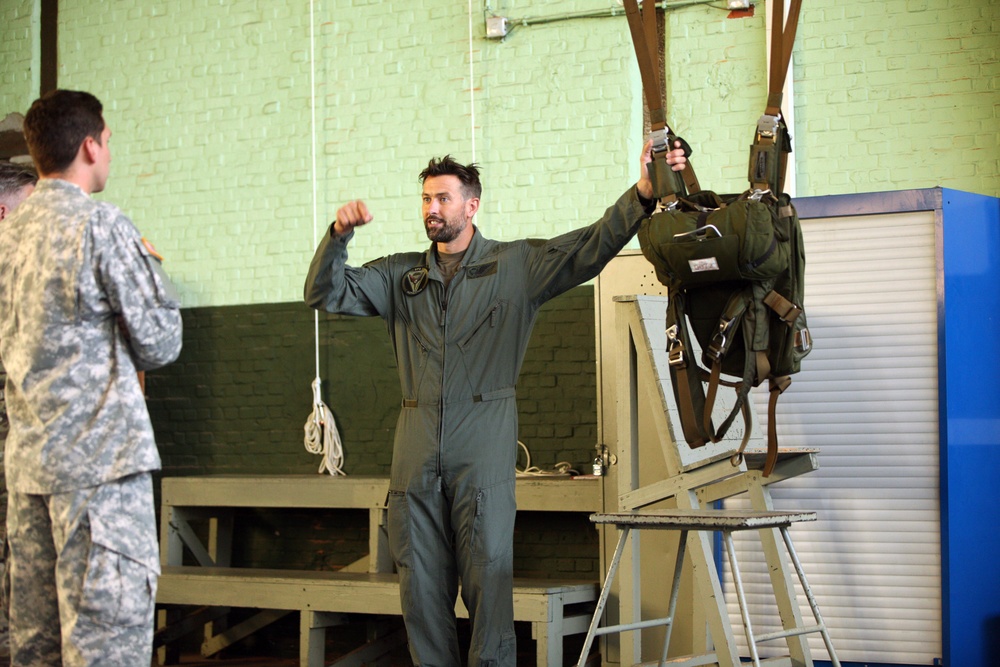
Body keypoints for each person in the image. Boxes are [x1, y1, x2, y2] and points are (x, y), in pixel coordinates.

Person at [305, 139, 686, 666]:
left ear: (472, 206)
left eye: (442, 198)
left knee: (489, 582)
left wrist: (643, 193)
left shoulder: (516, 266)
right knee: (419, 588)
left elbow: (589, 248)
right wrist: (337, 236)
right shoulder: (402, 277)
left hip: (483, 438)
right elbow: (324, 293)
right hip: (414, 444)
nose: (432, 209)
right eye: (425, 200)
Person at [0, 89, 183, 666]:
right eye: (107, 140)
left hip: (26, 476)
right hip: (99, 479)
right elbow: (160, 342)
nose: (109, 150)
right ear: (89, 145)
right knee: (105, 649)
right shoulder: (101, 226)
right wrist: (153, 274)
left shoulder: (7, 238)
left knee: (37, 651)